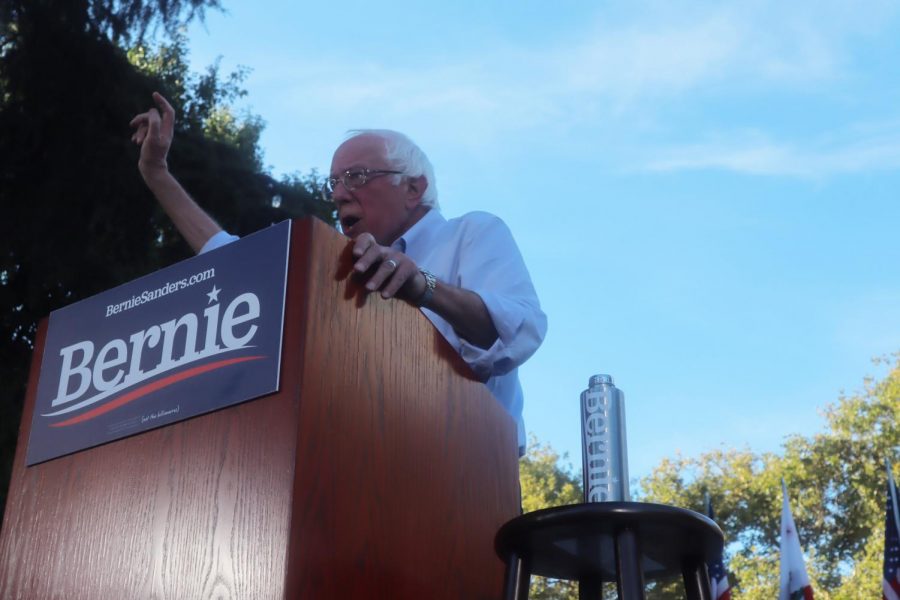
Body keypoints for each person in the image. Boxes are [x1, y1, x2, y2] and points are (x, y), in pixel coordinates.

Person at [130, 92, 547, 453]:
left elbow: (518, 327)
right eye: (333, 182)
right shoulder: (339, 269)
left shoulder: (470, 233)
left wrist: (424, 287)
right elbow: (232, 261)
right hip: (359, 475)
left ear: (414, 188)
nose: (338, 193)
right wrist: (157, 176)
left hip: (468, 480)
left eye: (357, 176)